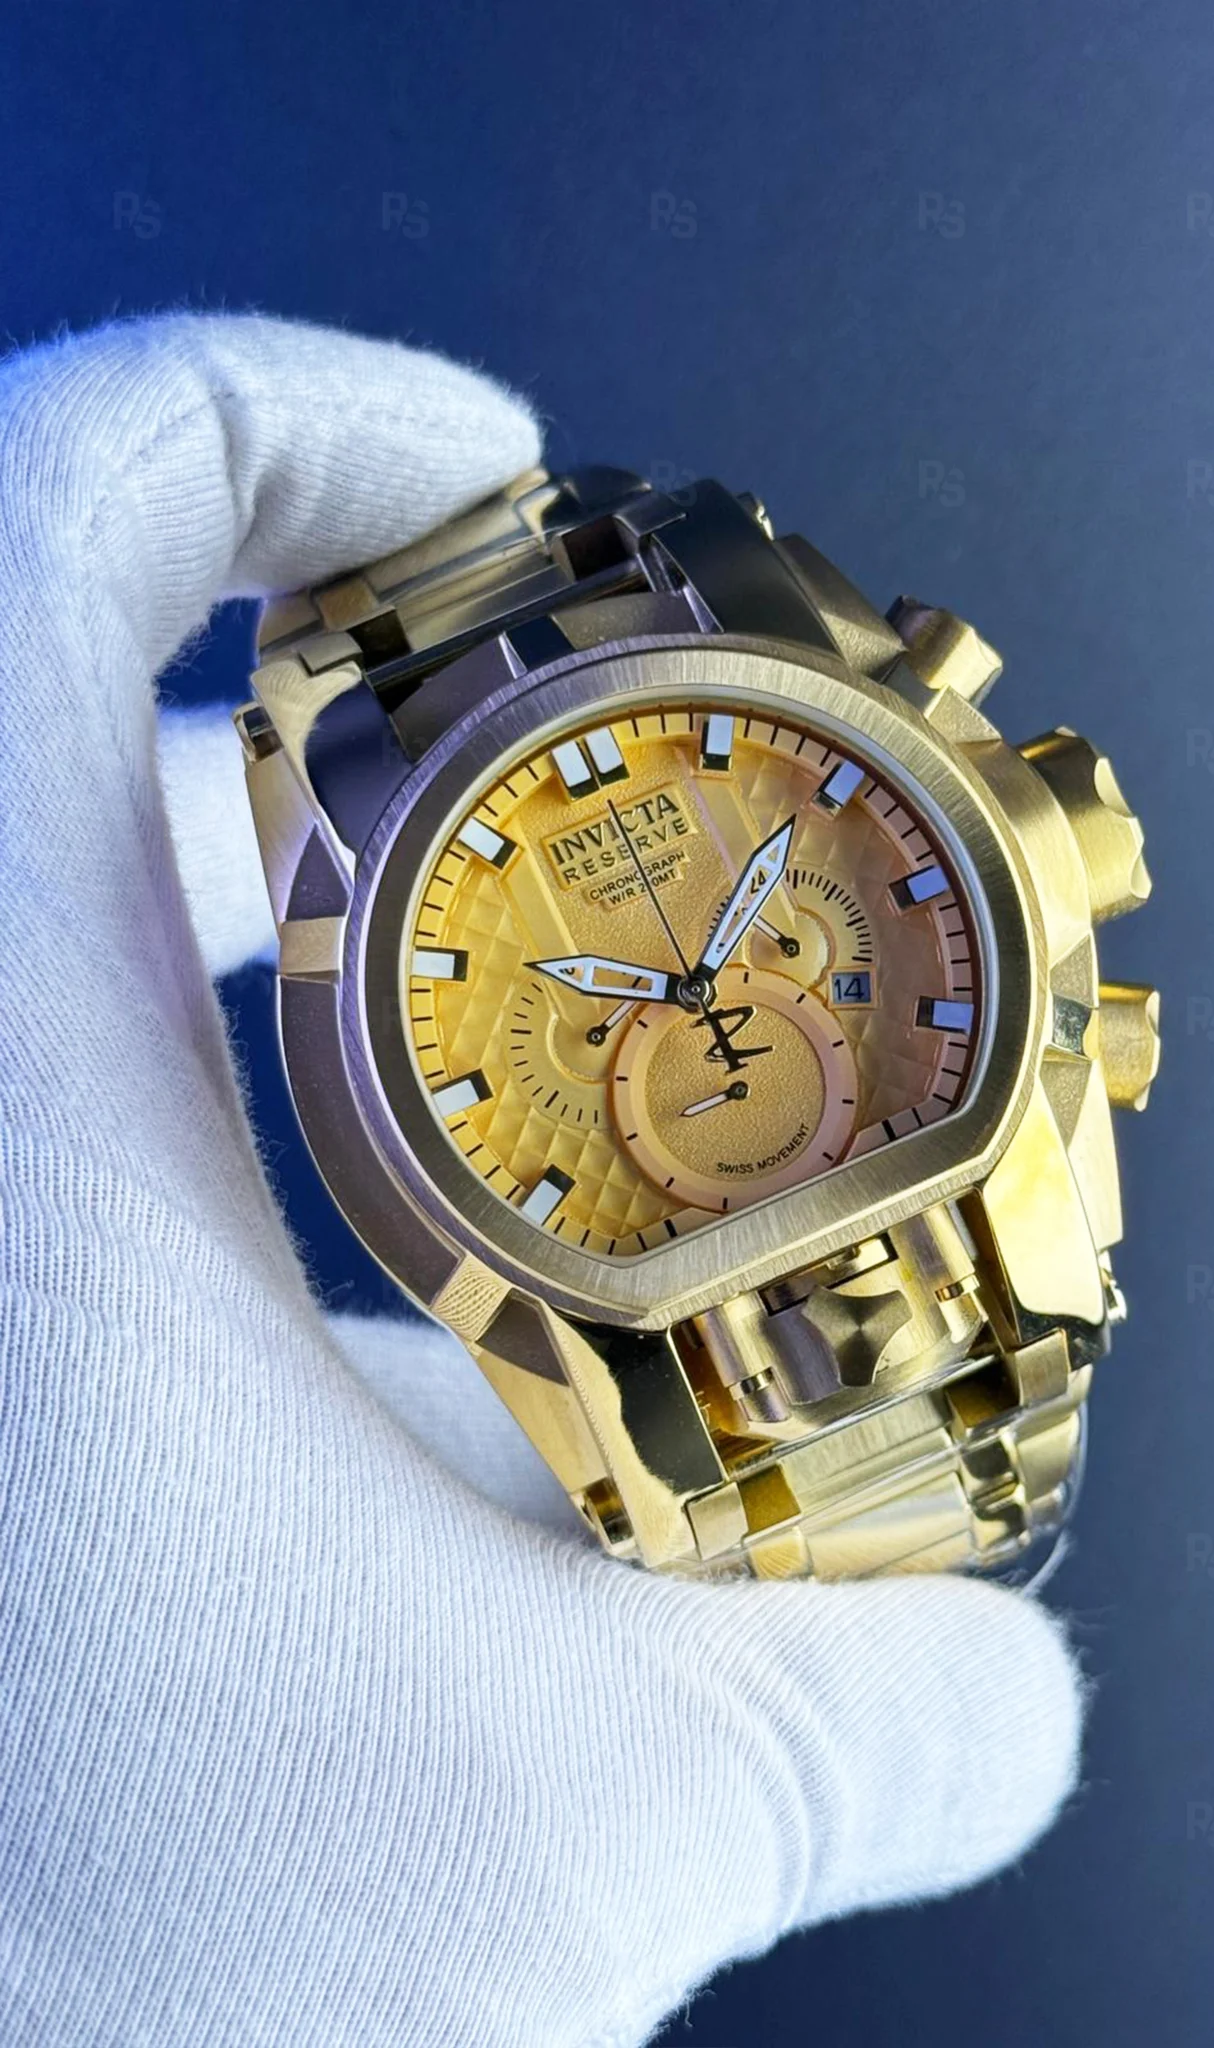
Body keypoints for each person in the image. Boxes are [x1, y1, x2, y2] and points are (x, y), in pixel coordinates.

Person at [0, 313, 1083, 2047]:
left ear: (1032, 836)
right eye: (599, 1011)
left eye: (758, 945)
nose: (710, 1009)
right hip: (643, 1311)